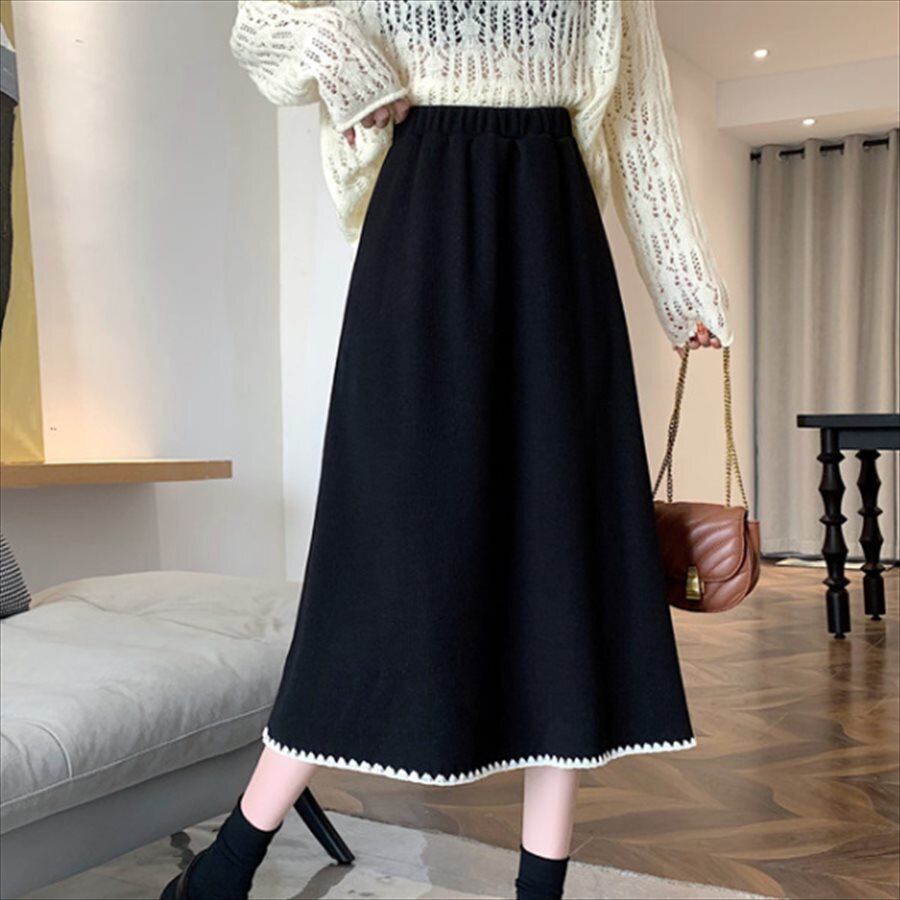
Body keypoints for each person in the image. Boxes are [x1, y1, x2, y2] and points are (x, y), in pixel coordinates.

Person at [162, 2, 730, 899]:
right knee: (374, 567)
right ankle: (230, 862)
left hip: (554, 240)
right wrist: (345, 56)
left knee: (559, 564)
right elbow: (263, 23)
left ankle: (538, 889)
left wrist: (683, 279)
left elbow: (637, 114)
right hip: (421, 226)